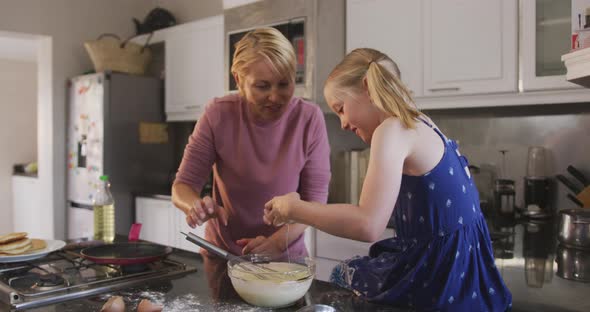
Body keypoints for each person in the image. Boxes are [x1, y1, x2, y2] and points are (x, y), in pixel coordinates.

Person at [263, 48, 512, 311]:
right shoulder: (422, 123)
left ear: (367, 87)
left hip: (437, 278)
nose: (344, 124)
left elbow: (367, 224)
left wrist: (294, 209)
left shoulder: (391, 130)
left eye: (341, 109)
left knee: (343, 275)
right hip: (466, 276)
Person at [171, 27, 330, 259]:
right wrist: (195, 206)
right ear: (239, 80)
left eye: (284, 84)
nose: (275, 97)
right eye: (262, 86)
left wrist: (276, 243)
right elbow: (182, 187)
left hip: (284, 258)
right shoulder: (218, 115)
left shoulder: (309, 118)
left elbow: (315, 203)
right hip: (223, 255)